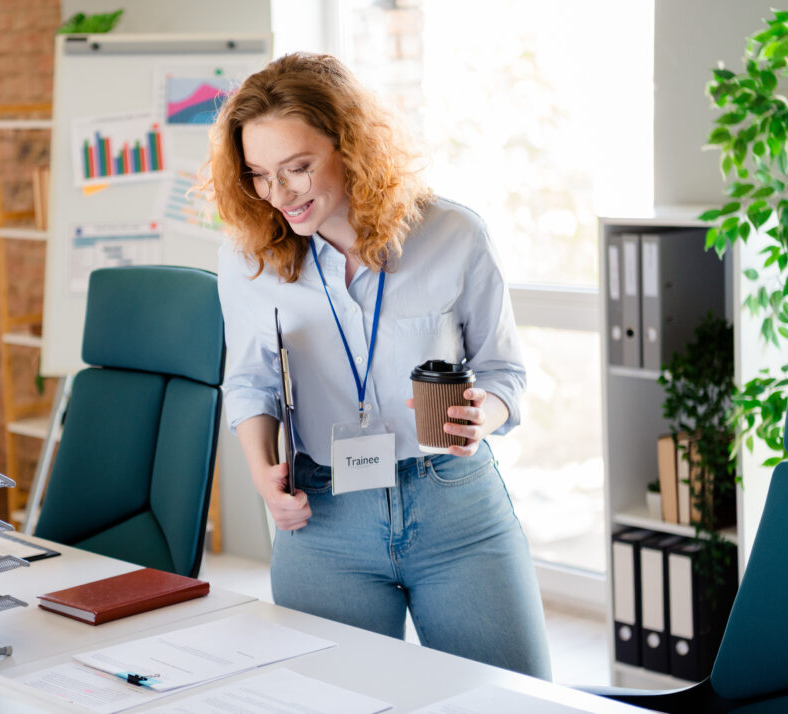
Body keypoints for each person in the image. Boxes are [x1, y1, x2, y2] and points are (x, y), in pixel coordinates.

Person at [207, 52, 551, 680]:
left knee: (511, 699)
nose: (277, 195)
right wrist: (262, 474)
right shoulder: (248, 257)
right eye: (258, 174)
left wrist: (485, 413)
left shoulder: (453, 234)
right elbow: (250, 382)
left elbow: (505, 372)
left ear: (352, 146)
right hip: (324, 517)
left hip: (455, 504)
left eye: (298, 168)